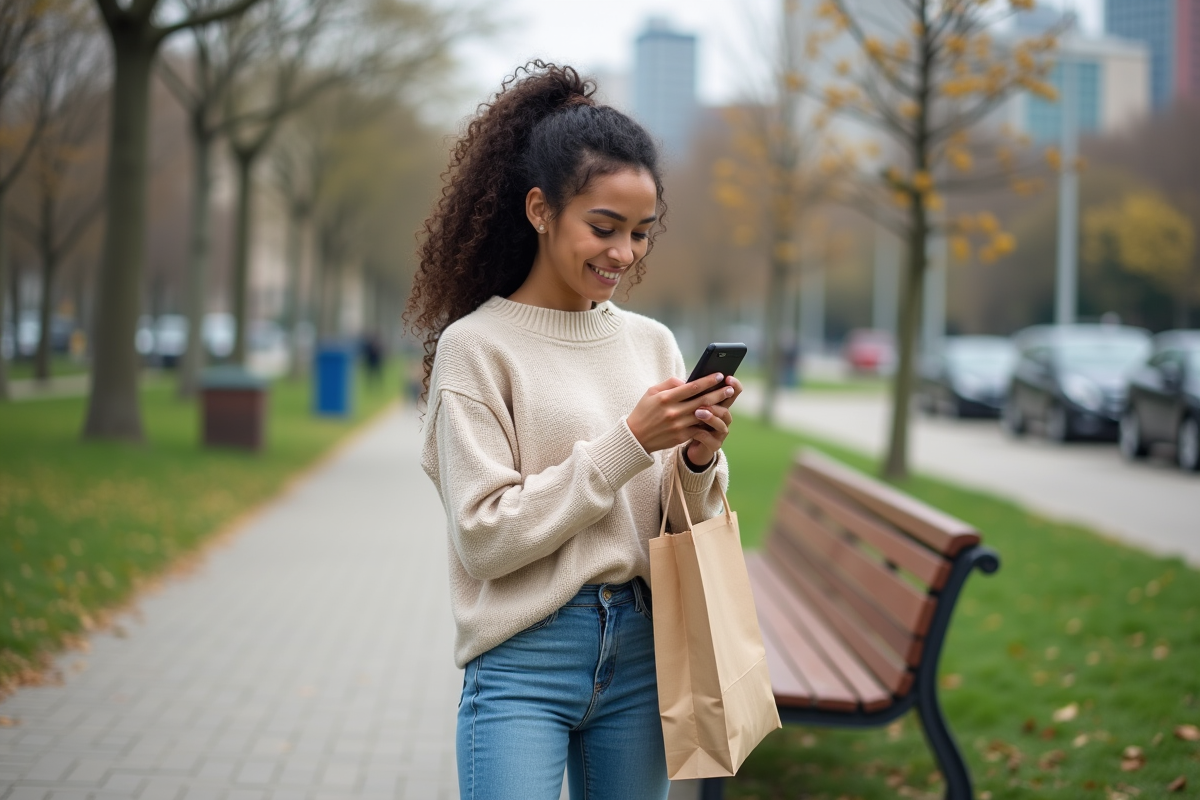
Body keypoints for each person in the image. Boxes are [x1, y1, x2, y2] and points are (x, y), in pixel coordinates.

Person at [406, 62, 744, 800]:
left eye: (641, 233)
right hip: (522, 658)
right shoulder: (477, 348)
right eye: (604, 227)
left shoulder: (651, 342)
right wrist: (629, 442)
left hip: (640, 653)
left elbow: (681, 525)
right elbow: (485, 538)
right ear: (539, 210)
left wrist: (695, 461)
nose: (623, 253)